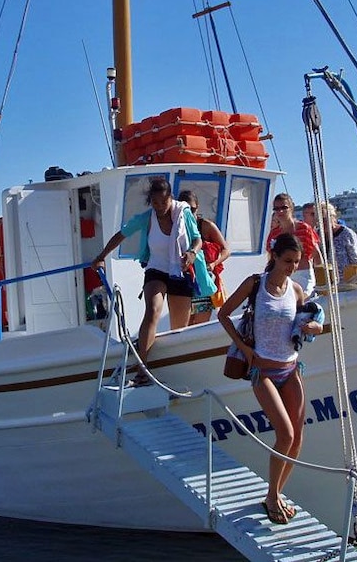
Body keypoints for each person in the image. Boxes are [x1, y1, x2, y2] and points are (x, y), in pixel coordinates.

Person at [217, 233, 323, 525]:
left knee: (298, 438)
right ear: (274, 256)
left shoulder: (297, 291)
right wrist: (245, 348)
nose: (291, 267)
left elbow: (307, 323)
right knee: (285, 435)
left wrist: (314, 327)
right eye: (287, 261)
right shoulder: (255, 284)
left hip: (291, 369)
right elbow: (223, 314)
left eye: (296, 262)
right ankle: (273, 496)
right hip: (262, 370)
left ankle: (273, 494)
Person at [91, 176, 215, 384]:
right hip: (156, 270)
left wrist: (192, 253)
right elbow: (121, 235)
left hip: (180, 271)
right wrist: (101, 256)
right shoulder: (146, 218)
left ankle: (177, 373)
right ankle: (142, 369)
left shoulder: (184, 214)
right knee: (152, 310)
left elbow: (197, 239)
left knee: (178, 328)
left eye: (163, 202)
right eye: (155, 203)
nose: (159, 207)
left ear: (171, 199)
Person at [177, 190, 230, 325]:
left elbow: (226, 250)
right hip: (184, 279)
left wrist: (213, 264)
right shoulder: (177, 226)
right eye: (185, 209)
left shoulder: (205, 226)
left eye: (192, 209)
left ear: (197, 207)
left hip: (203, 278)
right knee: (185, 322)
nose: (189, 213)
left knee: (200, 322)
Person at [266, 193, 321, 297]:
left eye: (284, 207)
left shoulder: (304, 229)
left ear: (291, 208)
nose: (280, 211)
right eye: (276, 209)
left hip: (303, 275)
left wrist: (322, 282)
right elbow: (271, 260)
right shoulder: (273, 234)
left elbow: (316, 255)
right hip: (283, 278)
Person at [319, 201, 357, 273]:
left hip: (345, 279)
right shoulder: (317, 235)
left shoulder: (346, 234)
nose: (322, 223)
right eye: (319, 220)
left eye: (324, 219)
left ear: (333, 217)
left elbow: (355, 261)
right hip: (324, 279)